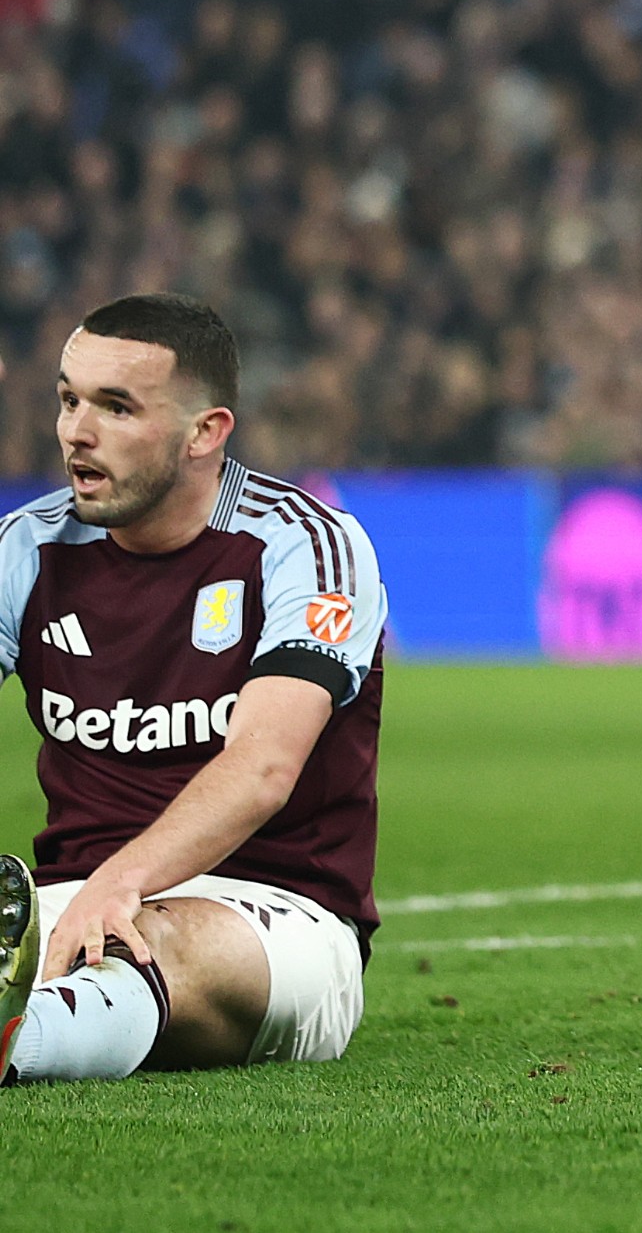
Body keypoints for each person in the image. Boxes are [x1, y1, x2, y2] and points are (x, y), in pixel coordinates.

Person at [0, 294, 387, 1082]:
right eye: (70, 399)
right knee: (101, 939)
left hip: (273, 919)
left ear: (205, 432)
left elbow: (264, 767)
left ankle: (23, 1043)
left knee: (156, 941)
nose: (78, 431)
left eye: (116, 407)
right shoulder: (27, 549)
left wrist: (120, 883)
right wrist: (93, 894)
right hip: (77, 897)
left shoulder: (302, 544)